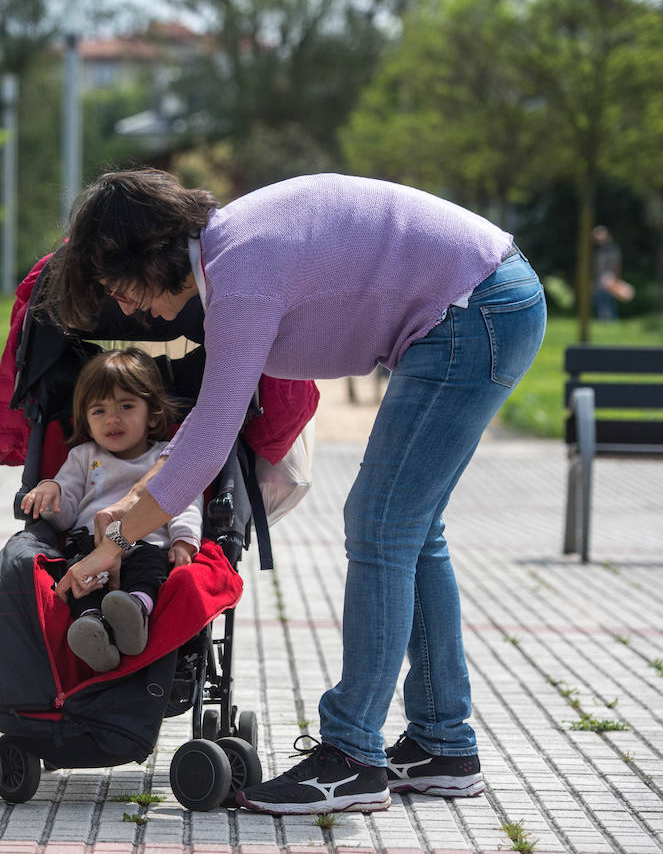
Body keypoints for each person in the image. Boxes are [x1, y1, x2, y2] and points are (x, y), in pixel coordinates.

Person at [43, 169, 547, 815]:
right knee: (411, 531)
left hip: (474, 309)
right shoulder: (232, 249)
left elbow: (208, 436)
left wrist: (112, 540)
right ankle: (442, 743)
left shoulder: (240, 276)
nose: (131, 308)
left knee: (382, 525)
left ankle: (353, 757)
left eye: (122, 288)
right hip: (487, 296)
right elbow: (202, 432)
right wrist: (133, 511)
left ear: (146, 255)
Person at [20, 348, 203, 673]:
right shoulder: (83, 456)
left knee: (148, 569)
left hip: (147, 542)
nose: (112, 419)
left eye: (126, 406)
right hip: (91, 545)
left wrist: (183, 539)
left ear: (153, 414)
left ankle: (135, 611)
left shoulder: (166, 456)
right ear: (86, 421)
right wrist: (51, 492)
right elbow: (65, 515)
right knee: (79, 574)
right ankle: (92, 630)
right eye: (99, 410)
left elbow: (184, 500)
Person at [592, 225, 627, 321]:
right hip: (599, 280)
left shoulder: (613, 249)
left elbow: (616, 265)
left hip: (610, 278)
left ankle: (612, 321)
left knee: (609, 302)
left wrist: (615, 279)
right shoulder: (597, 251)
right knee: (600, 302)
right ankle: (602, 320)